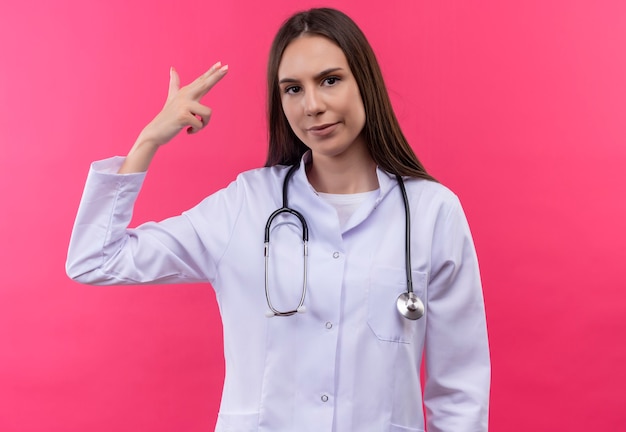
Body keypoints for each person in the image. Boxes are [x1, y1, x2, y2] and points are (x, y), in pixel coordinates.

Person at [67, 7, 490, 432]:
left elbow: (459, 389)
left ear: (365, 82)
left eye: (330, 80)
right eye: (292, 89)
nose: (312, 105)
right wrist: (148, 141)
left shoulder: (432, 212)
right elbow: (95, 259)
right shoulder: (246, 206)